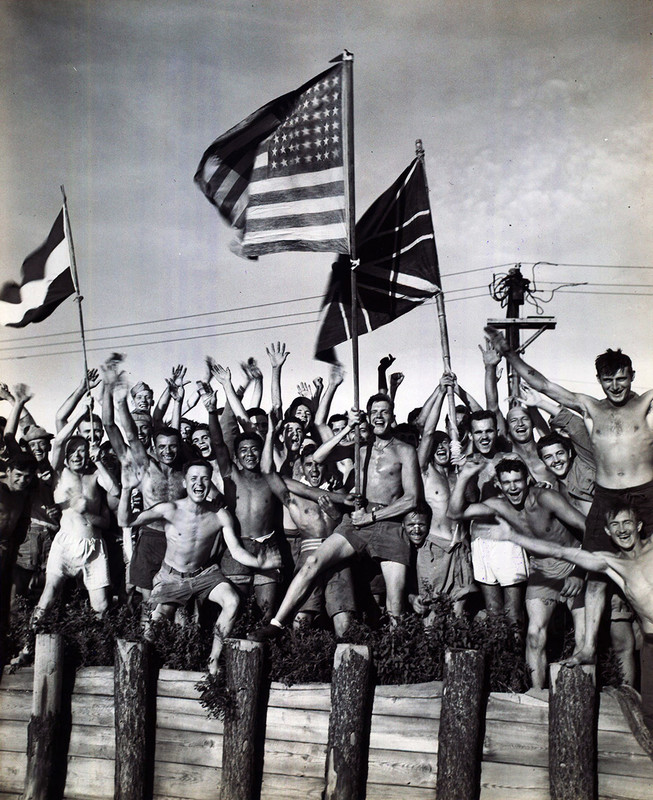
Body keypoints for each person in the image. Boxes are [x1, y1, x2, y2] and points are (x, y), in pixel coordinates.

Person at [486, 328, 653, 667]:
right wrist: (509, 353)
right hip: (607, 496)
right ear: (600, 380)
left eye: (622, 378)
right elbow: (544, 384)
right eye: (609, 380)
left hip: (645, 493)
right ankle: (588, 646)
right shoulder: (590, 406)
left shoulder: (646, 403)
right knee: (595, 574)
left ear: (632, 376)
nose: (616, 386)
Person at [248, 392, 421, 641]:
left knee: (395, 604)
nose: (379, 416)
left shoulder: (405, 450)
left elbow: (412, 499)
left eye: (384, 412)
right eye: (374, 412)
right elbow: (318, 457)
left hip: (389, 522)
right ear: (368, 417)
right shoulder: (360, 447)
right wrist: (348, 429)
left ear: (392, 415)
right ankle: (276, 624)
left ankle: (396, 656)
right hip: (358, 519)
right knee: (312, 564)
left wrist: (372, 518)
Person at [486, 502, 653, 733]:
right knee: (650, 716)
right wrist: (513, 536)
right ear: (607, 532)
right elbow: (561, 551)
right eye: (615, 525)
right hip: (651, 644)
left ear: (639, 525)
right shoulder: (611, 563)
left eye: (627, 523)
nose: (622, 530)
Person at [118, 460, 281, 675]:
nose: (199, 484)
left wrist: (260, 562)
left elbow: (236, 551)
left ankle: (213, 662)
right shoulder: (170, 509)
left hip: (204, 574)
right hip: (171, 577)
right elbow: (125, 520)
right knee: (153, 627)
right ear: (185, 483)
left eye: (205, 478)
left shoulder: (219, 514)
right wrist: (127, 489)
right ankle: (144, 671)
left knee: (232, 601)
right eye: (194, 478)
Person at [449, 457, 586, 688]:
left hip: (574, 560)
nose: (513, 487)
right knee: (534, 635)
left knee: (582, 639)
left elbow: (587, 528)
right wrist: (464, 477)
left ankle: (580, 694)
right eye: (507, 482)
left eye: (518, 481)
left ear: (528, 480)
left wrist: (579, 572)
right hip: (542, 568)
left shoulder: (546, 498)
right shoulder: (500, 505)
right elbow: (455, 514)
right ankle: (536, 693)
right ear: (500, 485)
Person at [280, 445, 356, 636]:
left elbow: (350, 525)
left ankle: (344, 663)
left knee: (343, 617)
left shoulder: (339, 490)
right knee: (301, 617)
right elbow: (272, 475)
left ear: (326, 466)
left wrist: (335, 513)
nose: (314, 470)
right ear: (302, 467)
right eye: (308, 465)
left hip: (337, 554)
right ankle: (299, 661)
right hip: (309, 552)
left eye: (318, 465)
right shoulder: (295, 491)